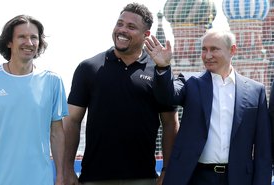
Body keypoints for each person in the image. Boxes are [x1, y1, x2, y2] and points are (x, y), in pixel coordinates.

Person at [63, 3, 179, 185]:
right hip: (94, 178)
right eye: (120, 24)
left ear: (146, 35)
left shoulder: (159, 71)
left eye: (131, 27)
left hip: (144, 178)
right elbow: (72, 120)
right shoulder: (88, 68)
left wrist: (167, 170)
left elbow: (170, 124)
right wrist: (67, 169)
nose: (122, 30)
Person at [144, 29, 272, 185]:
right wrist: (163, 68)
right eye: (204, 49)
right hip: (195, 177)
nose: (207, 55)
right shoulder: (190, 82)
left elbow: (263, 149)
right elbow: (167, 96)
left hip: (238, 178)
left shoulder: (255, 90)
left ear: (232, 50)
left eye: (214, 49)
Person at [0, 15, 68, 185]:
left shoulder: (53, 82)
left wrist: (60, 176)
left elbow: (57, 132)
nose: (29, 42)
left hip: (40, 180)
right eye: (22, 37)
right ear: (9, 42)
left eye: (34, 37)